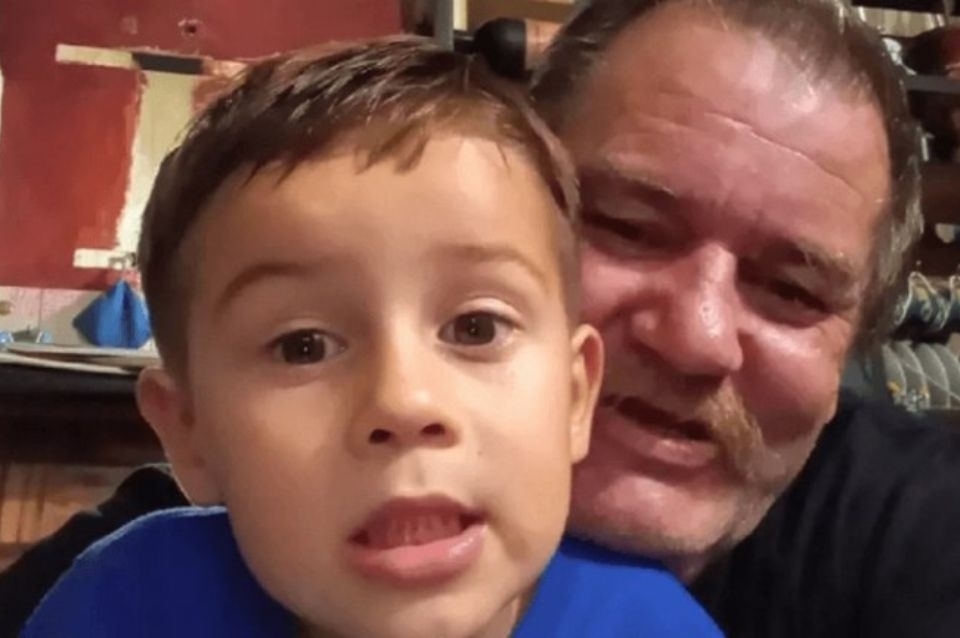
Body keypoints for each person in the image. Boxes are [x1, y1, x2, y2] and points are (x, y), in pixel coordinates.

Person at [3, 0, 960, 636]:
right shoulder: (133, 582)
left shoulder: (916, 540)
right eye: (628, 227)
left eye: (792, 290)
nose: (696, 336)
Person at [19, 37, 722, 638]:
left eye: (476, 328)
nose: (404, 401)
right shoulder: (125, 607)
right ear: (190, 432)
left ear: (575, 397)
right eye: (303, 346)